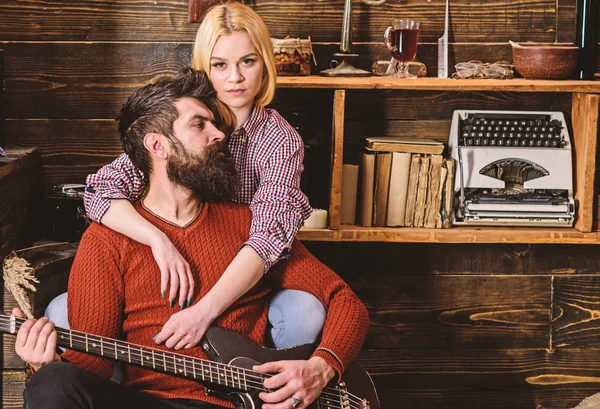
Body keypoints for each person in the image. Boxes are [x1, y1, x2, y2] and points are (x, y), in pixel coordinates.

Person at [14, 68, 369, 409]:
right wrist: (42, 365)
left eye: (214, 123)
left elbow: (346, 302)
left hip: (237, 403)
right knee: (54, 382)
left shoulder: (246, 223)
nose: (219, 135)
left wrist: (322, 367)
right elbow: (92, 368)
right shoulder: (106, 239)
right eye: (200, 125)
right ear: (158, 145)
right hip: (147, 403)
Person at [47, 2, 323, 351]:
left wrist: (205, 312)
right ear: (205, 67)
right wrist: (157, 241)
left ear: (265, 63)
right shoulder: (181, 119)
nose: (234, 78)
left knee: (305, 311)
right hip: (167, 267)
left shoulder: (279, 140)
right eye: (220, 65)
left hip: (239, 282)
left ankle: (261, 392)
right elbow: (101, 190)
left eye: (247, 62)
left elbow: (266, 240)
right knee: (61, 311)